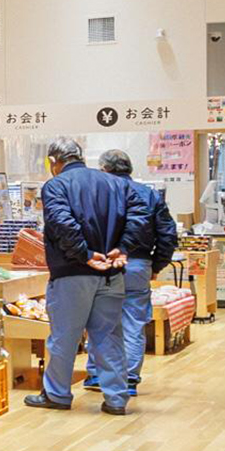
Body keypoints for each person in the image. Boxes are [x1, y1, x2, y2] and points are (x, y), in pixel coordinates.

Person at [25, 137, 148, 416]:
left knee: (64, 337)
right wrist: (123, 247)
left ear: (54, 161)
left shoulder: (56, 185)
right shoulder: (115, 183)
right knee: (109, 335)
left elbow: (62, 223)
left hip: (72, 274)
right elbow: (141, 216)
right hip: (112, 272)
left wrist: (85, 254)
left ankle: (57, 394)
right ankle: (116, 399)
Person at [85, 150, 177, 398]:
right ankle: (129, 379)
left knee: (99, 321)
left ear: (104, 170)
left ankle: (97, 375)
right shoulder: (149, 194)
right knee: (133, 323)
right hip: (138, 264)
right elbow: (168, 233)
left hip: (103, 263)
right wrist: (156, 264)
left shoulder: (97, 194)